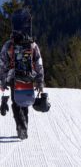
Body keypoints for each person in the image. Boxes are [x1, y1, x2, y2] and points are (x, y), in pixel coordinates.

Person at [0, 8, 44, 140]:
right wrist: (40, 81)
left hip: (14, 76)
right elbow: (38, 63)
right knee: (25, 101)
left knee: (16, 102)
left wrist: (3, 82)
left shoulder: (9, 45)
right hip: (29, 76)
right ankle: (24, 126)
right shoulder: (32, 45)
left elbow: (2, 64)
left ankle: (21, 126)